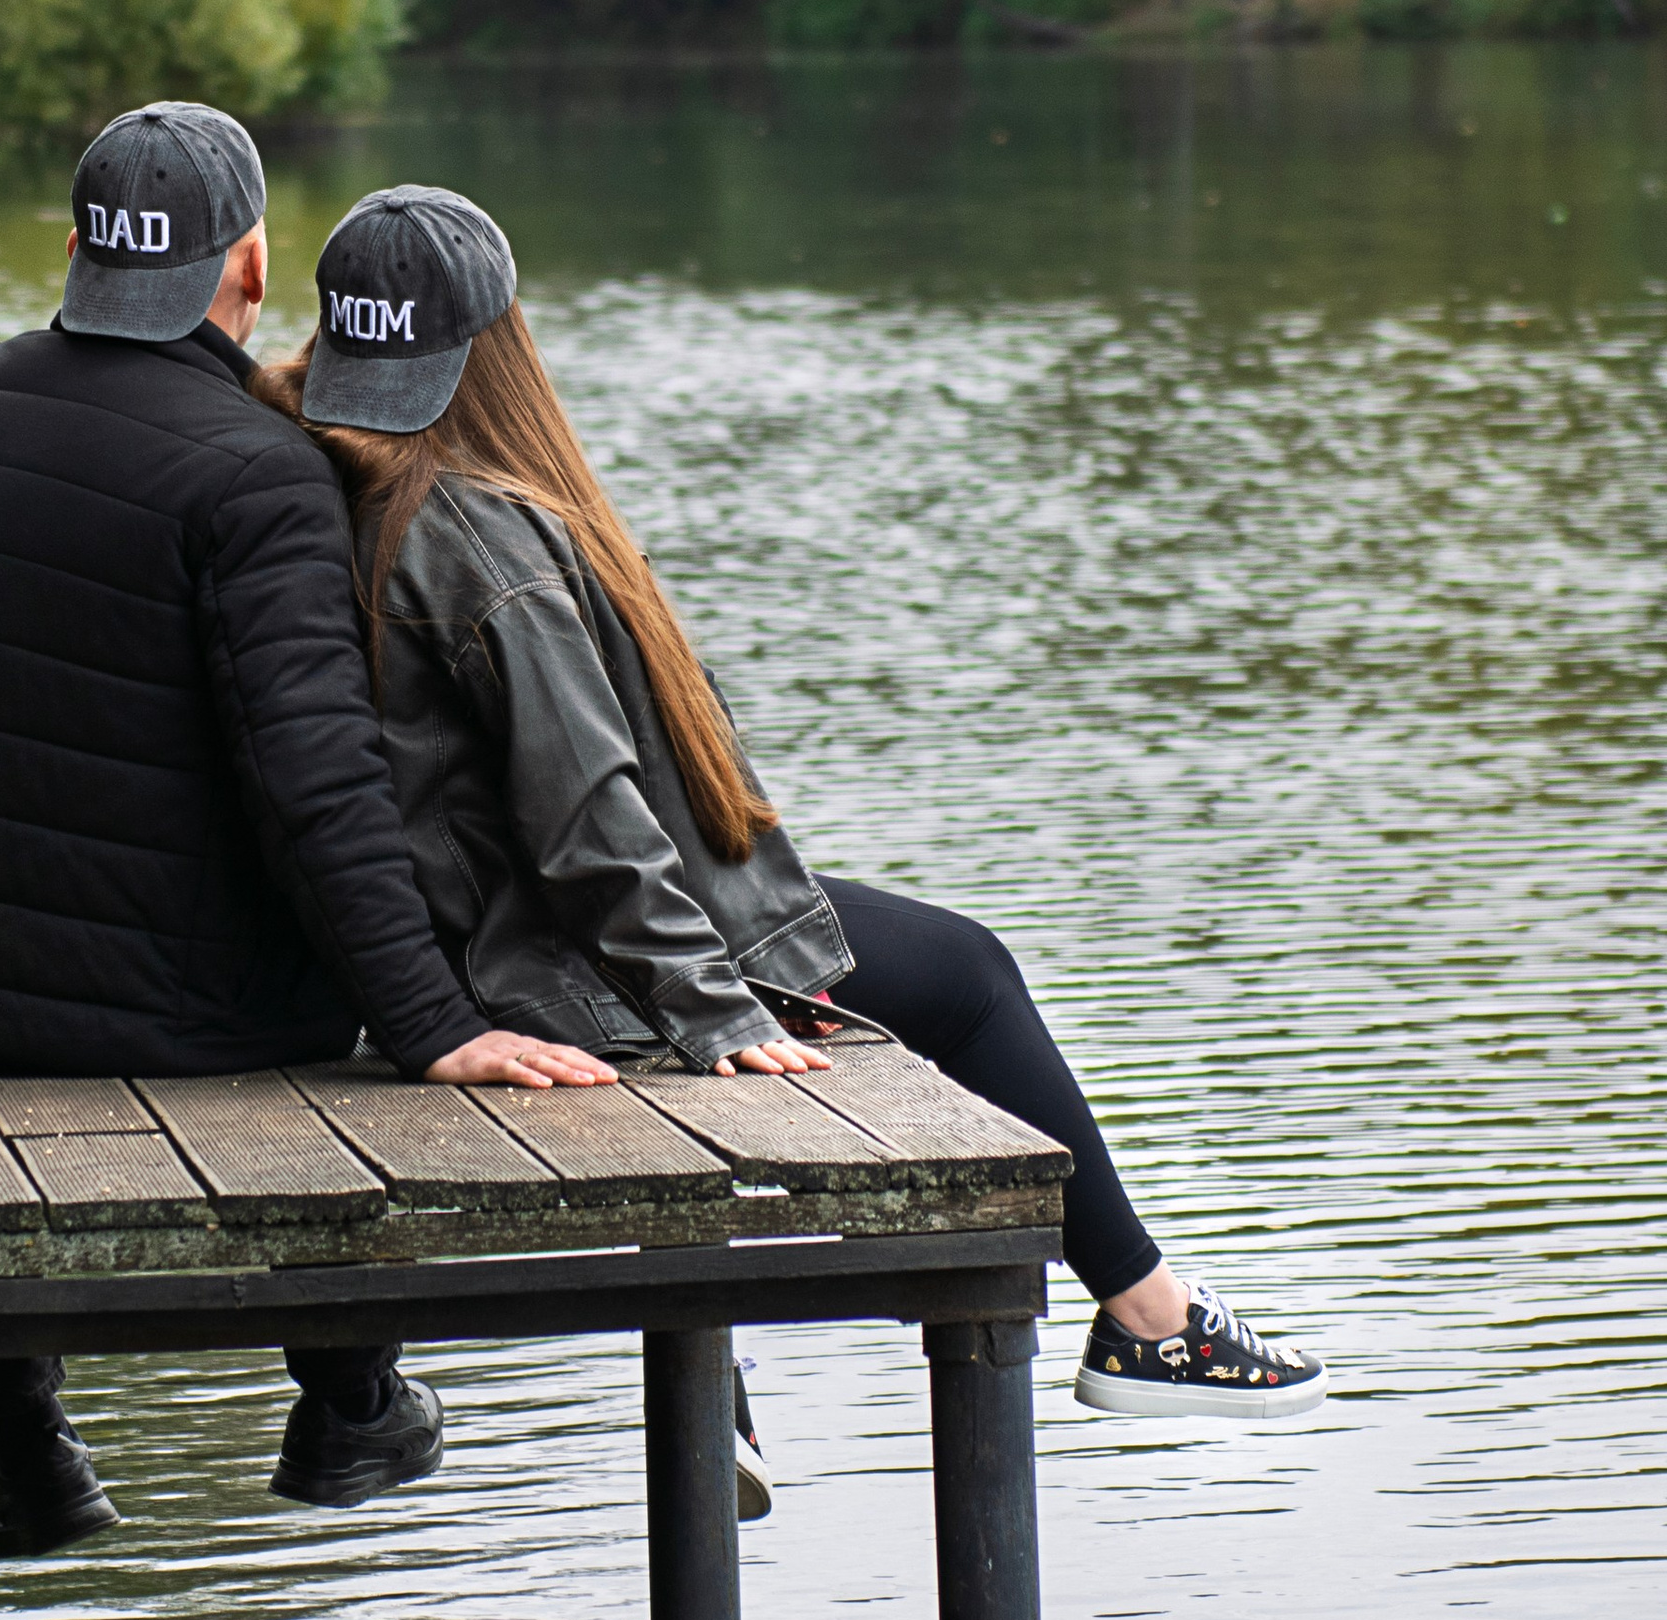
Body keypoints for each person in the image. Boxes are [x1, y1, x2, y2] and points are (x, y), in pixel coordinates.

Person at [257, 183, 1327, 1421]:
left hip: (451, 943)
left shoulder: (302, 470)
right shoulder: (481, 534)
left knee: (907, 964)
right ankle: (1146, 1316)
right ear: (500, 349)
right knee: (969, 975)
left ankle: (729, 1391)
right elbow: (584, 816)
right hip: (543, 958)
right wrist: (709, 1004)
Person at [0, 107, 617, 1560]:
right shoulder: (256, 470)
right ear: (254, 268)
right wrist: (427, 1023)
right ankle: (349, 1391)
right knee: (331, 954)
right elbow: (314, 776)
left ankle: (27, 1427)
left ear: (80, 251)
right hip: (177, 1021)